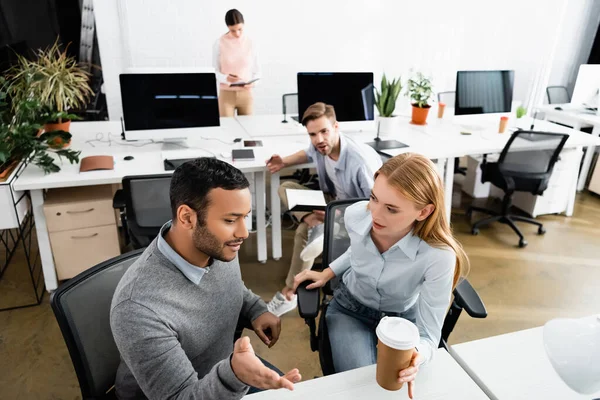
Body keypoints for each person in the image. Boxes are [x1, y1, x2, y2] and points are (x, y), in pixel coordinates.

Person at [110, 158, 301, 399]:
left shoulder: (216, 246)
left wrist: (255, 309)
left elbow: (232, 288)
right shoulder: (138, 309)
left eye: (245, 217)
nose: (243, 233)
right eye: (231, 220)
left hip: (223, 372)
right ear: (187, 218)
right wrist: (234, 376)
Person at [293, 153, 469, 400]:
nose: (375, 214)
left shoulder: (438, 256)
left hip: (402, 321)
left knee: (393, 388)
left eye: (391, 209)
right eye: (374, 198)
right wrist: (328, 272)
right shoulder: (357, 215)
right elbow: (357, 250)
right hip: (349, 310)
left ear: (424, 212)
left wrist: (420, 354)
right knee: (363, 391)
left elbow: (429, 335)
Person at [265, 102, 382, 316]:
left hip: (355, 213)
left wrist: (336, 215)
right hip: (332, 202)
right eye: (312, 134)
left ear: (336, 127)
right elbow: (307, 154)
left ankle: (290, 292)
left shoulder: (359, 162)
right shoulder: (321, 147)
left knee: (302, 232)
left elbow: (376, 206)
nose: (318, 139)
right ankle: (315, 223)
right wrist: (283, 162)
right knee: (286, 187)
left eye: (324, 131)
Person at [213, 9, 260, 117]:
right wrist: (226, 78)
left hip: (246, 95)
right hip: (226, 95)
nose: (237, 33)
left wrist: (253, 83)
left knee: (248, 129)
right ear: (228, 27)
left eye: (240, 29)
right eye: (233, 30)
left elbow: (258, 72)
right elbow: (214, 71)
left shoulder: (251, 43)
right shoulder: (219, 43)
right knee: (227, 130)